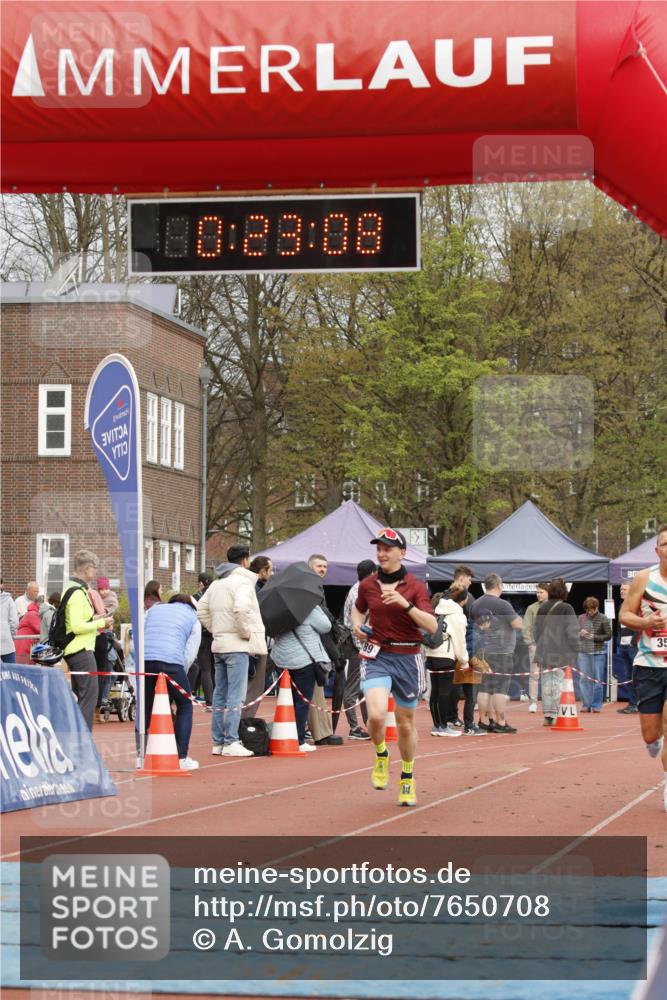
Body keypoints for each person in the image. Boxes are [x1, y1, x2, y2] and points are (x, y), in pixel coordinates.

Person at [351, 527, 437, 807]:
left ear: (402, 553)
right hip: (377, 655)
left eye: (387, 549)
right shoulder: (368, 585)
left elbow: (432, 625)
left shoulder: (415, 586)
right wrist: (357, 625)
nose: (381, 553)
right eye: (378, 548)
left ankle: (407, 777)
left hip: (408, 657)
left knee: (404, 723)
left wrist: (406, 606)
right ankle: (381, 754)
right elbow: (358, 607)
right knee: (376, 716)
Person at [197, 543, 267, 757]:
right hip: (237, 645)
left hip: (219, 645)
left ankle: (218, 741)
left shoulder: (217, 584)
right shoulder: (243, 583)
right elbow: (242, 609)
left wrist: (216, 629)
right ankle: (231, 741)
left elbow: (201, 609)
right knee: (236, 696)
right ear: (245, 560)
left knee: (220, 695)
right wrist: (245, 633)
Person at [619, 525, 667, 812]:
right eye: (665, 543)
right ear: (657, 550)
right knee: (651, 733)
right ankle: (654, 743)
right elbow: (625, 614)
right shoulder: (643, 579)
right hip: (648, 664)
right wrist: (646, 623)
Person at [144, 594, 201, 770]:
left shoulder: (153, 610)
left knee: (148, 706)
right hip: (172, 662)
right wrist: (177, 678)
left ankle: (143, 755)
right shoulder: (193, 618)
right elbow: (190, 653)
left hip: (146, 659)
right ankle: (181, 757)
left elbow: (140, 633)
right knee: (185, 705)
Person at [271, 598, 333, 752]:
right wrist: (316, 606)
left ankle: (286, 734)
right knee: (302, 701)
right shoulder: (307, 608)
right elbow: (326, 626)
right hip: (304, 660)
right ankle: (298, 739)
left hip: (282, 659)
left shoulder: (278, 610)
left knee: (287, 700)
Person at [62, 550, 114, 731]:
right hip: (80, 649)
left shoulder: (73, 589)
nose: (95, 572)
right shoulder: (76, 593)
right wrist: (101, 622)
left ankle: (78, 742)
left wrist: (98, 620)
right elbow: (76, 626)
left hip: (77, 648)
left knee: (81, 696)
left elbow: (77, 622)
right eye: (94, 568)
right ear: (85, 568)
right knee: (89, 697)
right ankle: (84, 744)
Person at [427, 586, 484, 736]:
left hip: (431, 653)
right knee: (444, 691)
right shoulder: (458, 615)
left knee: (435, 691)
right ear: (464, 600)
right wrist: (464, 661)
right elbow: (460, 642)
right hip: (445, 655)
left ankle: (437, 725)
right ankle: (443, 726)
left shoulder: (437, 609)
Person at [471, 574, 523, 733]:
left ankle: (484, 720)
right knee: (500, 688)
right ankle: (500, 722)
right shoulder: (503, 605)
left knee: (484, 688)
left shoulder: (476, 604)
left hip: (482, 651)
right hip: (502, 651)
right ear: (499, 585)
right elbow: (517, 624)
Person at [304, 554, 343, 747]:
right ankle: (320, 732)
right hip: (311, 647)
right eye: (319, 566)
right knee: (314, 690)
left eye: (325, 567)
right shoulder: (311, 591)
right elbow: (322, 624)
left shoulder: (315, 589)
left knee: (309, 691)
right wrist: (334, 654)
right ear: (310, 567)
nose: (323, 569)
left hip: (309, 646)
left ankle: (312, 730)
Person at [534, 578, 580, 727]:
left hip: (544, 651)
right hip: (561, 652)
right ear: (563, 591)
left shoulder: (542, 608)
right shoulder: (567, 608)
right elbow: (572, 631)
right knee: (560, 683)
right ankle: (557, 715)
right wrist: (576, 648)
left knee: (547, 683)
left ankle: (548, 715)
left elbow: (536, 632)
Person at [341, 559, 375, 740]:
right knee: (354, 687)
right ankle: (354, 727)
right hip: (357, 646)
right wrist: (364, 649)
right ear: (371, 574)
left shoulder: (360, 590)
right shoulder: (357, 594)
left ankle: (369, 723)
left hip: (361, 645)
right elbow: (356, 627)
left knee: (364, 687)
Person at [242, 556, 273, 720]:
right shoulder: (257, 590)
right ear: (263, 571)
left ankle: (240, 723)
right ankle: (244, 723)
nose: (272, 573)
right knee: (253, 687)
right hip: (255, 643)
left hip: (248, 641)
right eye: (271, 569)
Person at [578, 596, 612, 712]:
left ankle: (596, 705)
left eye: (592, 609)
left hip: (599, 652)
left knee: (597, 680)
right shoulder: (581, 618)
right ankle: (586, 704)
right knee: (584, 679)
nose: (590, 611)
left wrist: (595, 637)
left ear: (597, 607)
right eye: (588, 609)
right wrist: (580, 634)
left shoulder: (603, 618)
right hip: (584, 652)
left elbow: (608, 635)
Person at [188, 572, 215, 710]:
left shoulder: (195, 597)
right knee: (218, 669)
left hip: (202, 637)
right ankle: (220, 700)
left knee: (206, 670)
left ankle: (210, 702)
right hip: (217, 635)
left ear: (201, 583)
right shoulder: (217, 595)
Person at [522, 583, 550, 713]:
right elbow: (526, 627)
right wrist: (530, 643)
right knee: (534, 675)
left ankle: (549, 702)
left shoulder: (554, 607)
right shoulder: (531, 608)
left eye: (541, 592)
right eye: (537, 592)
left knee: (549, 675)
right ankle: (533, 702)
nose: (538, 594)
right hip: (535, 646)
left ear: (548, 593)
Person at [616, 582, 639, 714]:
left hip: (633, 647)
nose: (621, 591)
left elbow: (639, 625)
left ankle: (636, 703)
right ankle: (632, 703)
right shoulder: (621, 606)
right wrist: (619, 641)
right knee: (627, 676)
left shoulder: (636, 605)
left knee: (635, 676)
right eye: (621, 589)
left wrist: (634, 642)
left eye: (624, 589)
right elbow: (620, 627)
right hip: (623, 646)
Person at [1, 581, 19, 664]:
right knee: (11, 671)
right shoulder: (9, 599)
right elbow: (14, 622)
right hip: (6, 639)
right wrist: (11, 635)